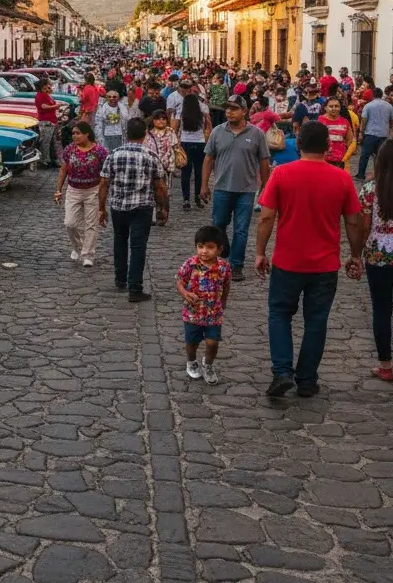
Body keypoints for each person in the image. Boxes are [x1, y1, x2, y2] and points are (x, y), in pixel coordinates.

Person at [256, 121, 363, 398]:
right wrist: (355, 254)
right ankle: (306, 379)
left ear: (298, 144)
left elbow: (266, 217)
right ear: (328, 146)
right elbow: (353, 222)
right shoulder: (342, 179)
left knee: (280, 314)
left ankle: (282, 371)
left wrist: (259, 252)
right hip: (325, 265)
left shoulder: (281, 175)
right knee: (316, 321)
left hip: (287, 261)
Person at [201, 97, 271, 282]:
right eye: (227, 109)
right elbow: (208, 159)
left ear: (244, 111)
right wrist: (204, 185)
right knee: (219, 225)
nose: (229, 112)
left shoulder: (256, 134)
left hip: (246, 190)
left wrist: (266, 185)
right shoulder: (217, 132)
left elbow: (264, 161)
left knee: (241, 229)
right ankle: (225, 252)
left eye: (234, 109)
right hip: (222, 188)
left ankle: (236, 265)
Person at [99, 117, 168, 303]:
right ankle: (135, 287)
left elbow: (104, 183)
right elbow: (160, 186)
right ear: (145, 133)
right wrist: (163, 207)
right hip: (142, 207)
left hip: (118, 206)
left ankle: (120, 278)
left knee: (120, 241)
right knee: (138, 247)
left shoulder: (113, 154)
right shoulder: (151, 156)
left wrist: (101, 208)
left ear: (126, 133)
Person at [359, 140, 393, 381]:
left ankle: (386, 365)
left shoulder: (369, 190)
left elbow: (363, 226)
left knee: (381, 309)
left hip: (378, 255)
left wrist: (356, 254)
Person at [177, 224, 231, 385]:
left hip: (213, 312)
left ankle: (208, 364)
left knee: (213, 343)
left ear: (219, 249)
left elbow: (226, 285)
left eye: (210, 247)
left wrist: (223, 302)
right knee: (192, 342)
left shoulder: (223, 267)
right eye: (200, 247)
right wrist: (185, 294)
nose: (204, 251)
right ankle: (191, 361)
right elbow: (179, 281)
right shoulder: (190, 264)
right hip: (193, 312)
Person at [54, 121, 108, 267]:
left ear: (87, 134)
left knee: (91, 224)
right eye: (73, 133)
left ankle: (88, 254)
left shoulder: (100, 151)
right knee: (69, 223)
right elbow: (63, 170)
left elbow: (105, 174)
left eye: (78, 133)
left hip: (93, 190)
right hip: (73, 190)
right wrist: (58, 190)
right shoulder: (69, 150)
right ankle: (78, 246)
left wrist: (104, 193)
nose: (75, 136)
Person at [177, 91, 211, 211]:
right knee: (198, 172)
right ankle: (197, 196)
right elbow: (208, 125)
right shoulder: (202, 112)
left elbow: (176, 127)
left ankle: (186, 199)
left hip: (185, 143)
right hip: (200, 143)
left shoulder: (181, 112)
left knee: (185, 173)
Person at [145, 108, 180, 224]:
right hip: (153, 167)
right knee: (152, 190)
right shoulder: (149, 134)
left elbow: (175, 147)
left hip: (167, 167)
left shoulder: (170, 132)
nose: (161, 121)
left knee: (166, 192)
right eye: (158, 119)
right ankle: (154, 215)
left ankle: (164, 214)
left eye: (163, 119)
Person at [356, 86, 393, 180]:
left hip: (370, 133)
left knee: (365, 155)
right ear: (382, 95)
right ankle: (380, 174)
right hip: (383, 134)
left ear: (373, 95)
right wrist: (389, 127)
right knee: (381, 155)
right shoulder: (389, 105)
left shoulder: (368, 105)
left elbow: (364, 120)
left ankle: (361, 174)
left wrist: (361, 133)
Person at [317, 96, 356, 169]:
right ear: (325, 108)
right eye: (331, 106)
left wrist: (342, 149)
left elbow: (349, 139)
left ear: (340, 108)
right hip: (323, 159)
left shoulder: (345, 121)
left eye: (336, 106)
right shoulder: (320, 120)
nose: (334, 108)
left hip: (339, 159)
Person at [34, 79, 59, 168]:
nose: (48, 87)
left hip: (51, 121)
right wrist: (55, 106)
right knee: (46, 142)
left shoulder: (45, 94)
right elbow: (44, 107)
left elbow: (51, 92)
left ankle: (51, 159)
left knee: (51, 142)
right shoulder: (40, 96)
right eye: (46, 86)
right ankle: (44, 161)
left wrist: (49, 88)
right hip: (46, 121)